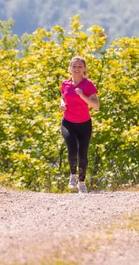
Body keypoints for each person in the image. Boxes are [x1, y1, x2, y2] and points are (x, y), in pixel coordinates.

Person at [59, 56, 100, 193]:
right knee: (72, 149)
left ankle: (82, 183)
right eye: (74, 66)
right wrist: (62, 104)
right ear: (70, 68)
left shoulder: (88, 85)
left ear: (84, 68)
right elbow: (63, 97)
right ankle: (73, 176)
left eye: (80, 67)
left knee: (82, 154)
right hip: (68, 122)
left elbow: (96, 106)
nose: (77, 69)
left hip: (84, 124)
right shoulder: (65, 84)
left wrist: (82, 95)